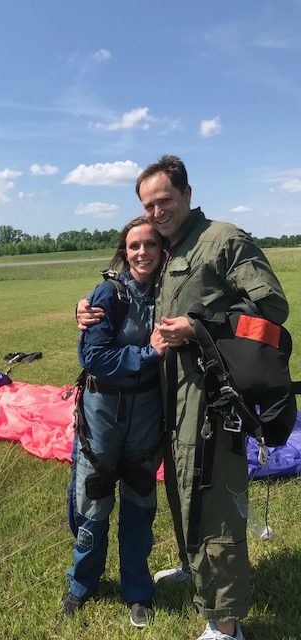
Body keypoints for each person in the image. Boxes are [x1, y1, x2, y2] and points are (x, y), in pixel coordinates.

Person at [77, 155, 289, 640]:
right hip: (171, 401)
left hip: (211, 402)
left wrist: (200, 327)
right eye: (148, 205)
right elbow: (132, 291)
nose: (157, 211)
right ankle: (194, 571)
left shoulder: (222, 240)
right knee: (181, 493)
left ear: (188, 194)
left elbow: (274, 309)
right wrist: (89, 310)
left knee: (211, 502)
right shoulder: (170, 251)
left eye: (165, 200)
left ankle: (225, 624)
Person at [62, 217, 168, 628]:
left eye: (151, 245)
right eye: (134, 246)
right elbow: (94, 357)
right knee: (94, 496)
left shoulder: (169, 292)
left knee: (140, 499)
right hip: (102, 414)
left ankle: (138, 589)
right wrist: (148, 355)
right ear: (124, 251)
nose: (142, 252)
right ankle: (82, 582)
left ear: (162, 250)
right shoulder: (109, 292)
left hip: (145, 414)